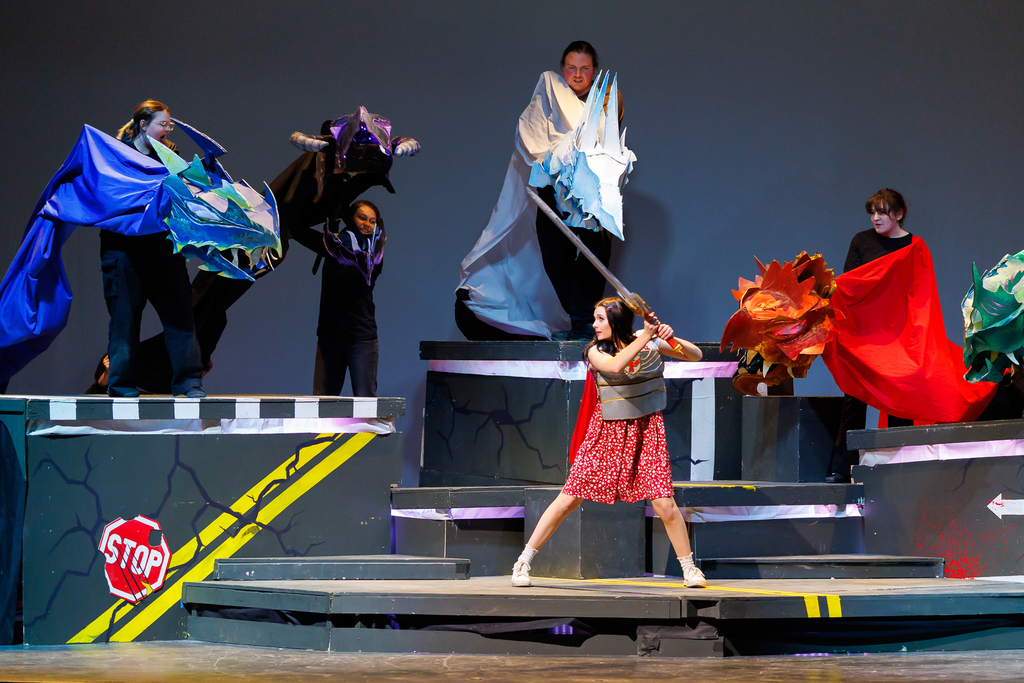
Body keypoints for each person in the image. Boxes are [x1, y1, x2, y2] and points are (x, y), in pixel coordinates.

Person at [510, 297, 707, 588]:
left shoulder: (645, 339)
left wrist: (669, 336)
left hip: (646, 430)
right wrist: (648, 336)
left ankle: (690, 569)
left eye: (600, 318)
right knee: (569, 498)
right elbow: (615, 367)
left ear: (616, 321)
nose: (594, 324)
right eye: (595, 318)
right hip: (606, 433)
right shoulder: (594, 351)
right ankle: (523, 562)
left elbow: (696, 355)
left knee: (664, 503)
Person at [456, 40, 630, 341]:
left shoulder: (606, 100)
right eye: (571, 68)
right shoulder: (550, 90)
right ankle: (579, 321)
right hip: (553, 189)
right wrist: (555, 157)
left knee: (594, 257)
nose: (577, 75)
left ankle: (583, 323)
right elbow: (531, 134)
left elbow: (607, 146)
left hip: (590, 195)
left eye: (584, 68)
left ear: (594, 70)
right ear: (563, 69)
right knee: (555, 257)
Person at [103, 100, 205, 398]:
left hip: (162, 250)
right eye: (163, 124)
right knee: (124, 322)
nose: (168, 130)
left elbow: (181, 198)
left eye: (169, 125)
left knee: (180, 318)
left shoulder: (170, 156)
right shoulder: (117, 156)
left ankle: (188, 384)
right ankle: (120, 385)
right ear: (143, 124)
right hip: (124, 253)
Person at [825, 189, 914, 482]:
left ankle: (904, 463)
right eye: (872, 212)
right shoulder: (861, 241)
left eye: (882, 212)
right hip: (865, 334)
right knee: (855, 397)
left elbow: (916, 291)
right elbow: (849, 284)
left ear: (898, 214)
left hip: (897, 333)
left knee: (900, 397)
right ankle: (842, 466)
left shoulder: (913, 245)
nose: (876, 217)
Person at [310, 200, 385, 397]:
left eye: (372, 221)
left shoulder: (374, 254)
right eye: (362, 218)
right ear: (351, 218)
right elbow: (301, 233)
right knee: (322, 405)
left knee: (366, 405)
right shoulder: (332, 245)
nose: (367, 224)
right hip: (329, 338)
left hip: (362, 340)